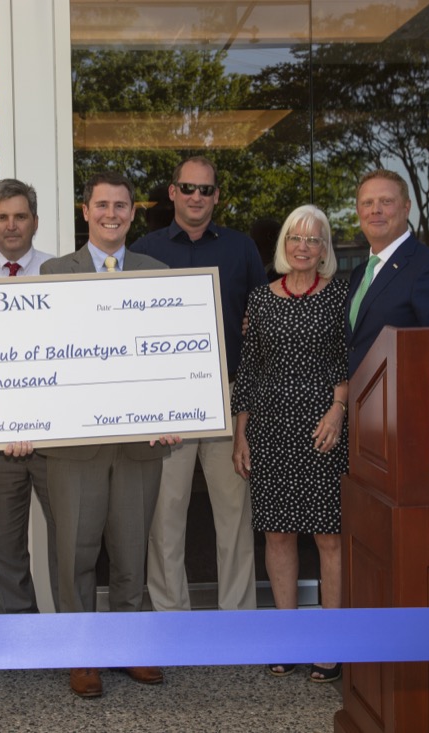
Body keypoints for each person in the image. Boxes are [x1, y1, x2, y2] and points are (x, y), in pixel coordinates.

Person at [39, 172, 178, 698]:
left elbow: (172, 355)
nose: (111, 214)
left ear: (133, 213)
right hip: (74, 446)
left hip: (141, 443)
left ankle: (128, 644)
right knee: (73, 550)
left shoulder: (158, 273)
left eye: (121, 205)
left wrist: (175, 414)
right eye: (102, 205)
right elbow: (36, 353)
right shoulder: (53, 273)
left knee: (130, 548)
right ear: (85, 210)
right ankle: (81, 651)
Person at [131, 156, 266, 614]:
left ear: (216, 197)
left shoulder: (241, 248)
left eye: (205, 190)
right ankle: (173, 619)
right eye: (187, 188)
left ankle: (237, 620)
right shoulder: (143, 250)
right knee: (165, 515)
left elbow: (261, 316)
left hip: (227, 394)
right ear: (172, 192)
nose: (195, 197)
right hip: (166, 400)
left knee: (234, 515)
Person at [231, 204, 349, 683]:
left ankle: (330, 638)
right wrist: (241, 432)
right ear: (284, 244)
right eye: (296, 238)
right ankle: (285, 634)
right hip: (271, 427)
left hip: (323, 427)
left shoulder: (340, 296)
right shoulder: (261, 299)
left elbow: (345, 358)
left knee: (328, 536)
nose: (304, 246)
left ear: (325, 250)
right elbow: (250, 369)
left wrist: (339, 410)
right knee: (278, 534)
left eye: (314, 239)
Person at [0, 179, 58, 614]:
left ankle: (74, 637)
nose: (11, 226)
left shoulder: (62, 272)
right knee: (0, 545)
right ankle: (26, 635)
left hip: (57, 433)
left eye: (20, 216)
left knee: (71, 540)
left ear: (35, 222)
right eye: (2, 217)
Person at [345, 169, 429, 378]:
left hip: (405, 406)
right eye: (367, 203)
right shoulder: (359, 274)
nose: (376, 210)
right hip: (362, 405)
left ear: (406, 208)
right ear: (358, 211)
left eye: (386, 201)